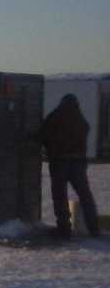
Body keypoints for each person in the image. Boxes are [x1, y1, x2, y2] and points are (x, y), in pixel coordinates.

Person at [40, 94, 100, 238]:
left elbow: (43, 134)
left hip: (59, 162)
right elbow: (85, 130)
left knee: (60, 196)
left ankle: (64, 228)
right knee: (85, 196)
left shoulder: (55, 116)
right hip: (78, 163)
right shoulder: (81, 120)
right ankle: (93, 228)